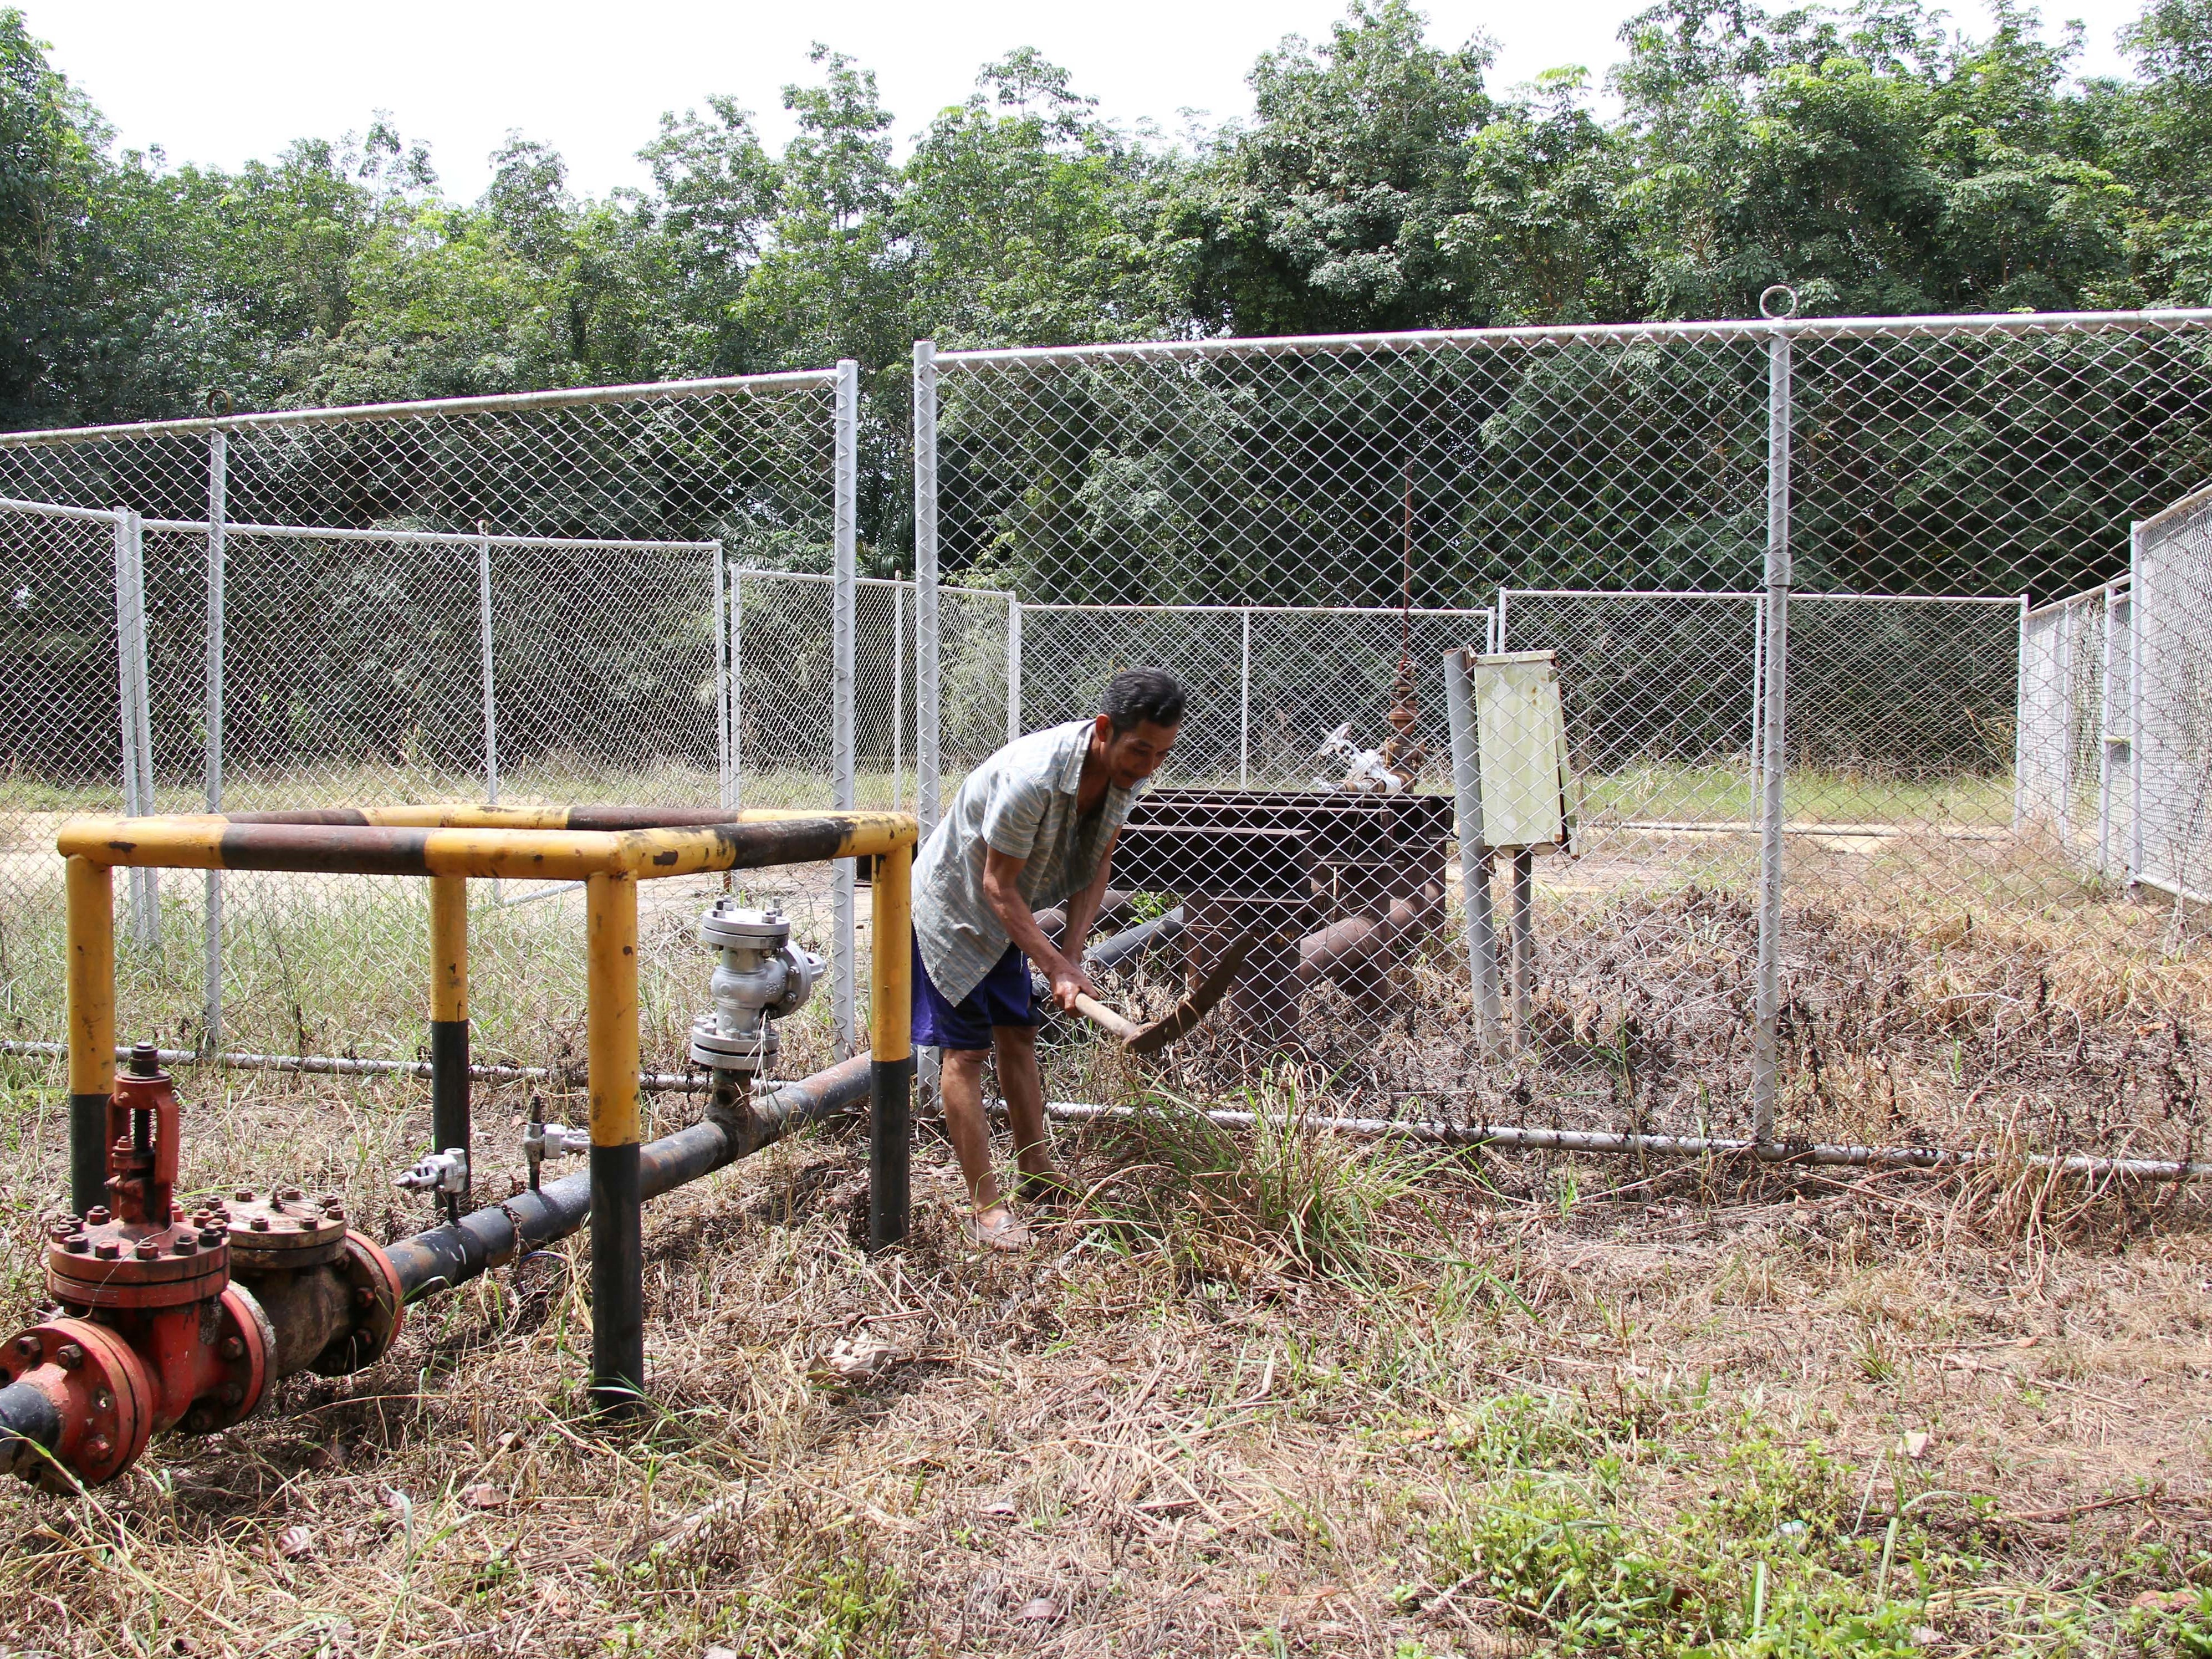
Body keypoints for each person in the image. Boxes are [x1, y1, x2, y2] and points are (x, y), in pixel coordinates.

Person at [910, 667, 1185, 1248]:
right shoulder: (1033, 778)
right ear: (1105, 729)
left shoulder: (1124, 773)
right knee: (966, 1051)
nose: (1149, 766)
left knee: (1019, 1034)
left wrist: (1073, 952)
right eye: (1141, 749)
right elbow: (995, 885)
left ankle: (1037, 1175)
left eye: (1162, 753)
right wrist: (1054, 964)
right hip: (954, 906)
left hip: (1009, 912)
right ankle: (985, 1206)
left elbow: (1098, 859)